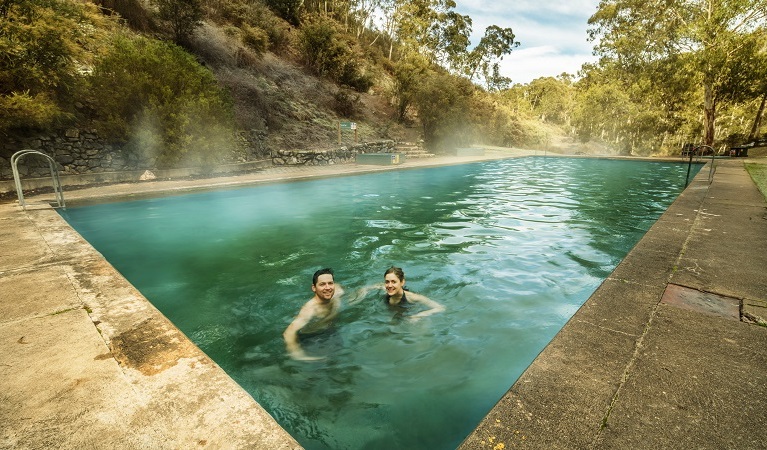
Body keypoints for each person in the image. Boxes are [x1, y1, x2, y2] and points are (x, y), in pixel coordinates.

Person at [283, 268, 344, 361]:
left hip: (330, 331)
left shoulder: (337, 292)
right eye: (322, 284)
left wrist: (370, 288)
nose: (328, 287)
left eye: (330, 283)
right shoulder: (310, 309)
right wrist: (298, 355)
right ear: (314, 288)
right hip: (312, 337)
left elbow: (353, 295)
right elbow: (288, 333)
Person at [355, 266, 444, 321]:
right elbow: (376, 286)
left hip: (408, 313)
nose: (389, 285)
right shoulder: (386, 288)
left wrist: (419, 315)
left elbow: (440, 308)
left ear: (402, 282)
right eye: (387, 282)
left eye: (394, 282)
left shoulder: (413, 297)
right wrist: (364, 289)